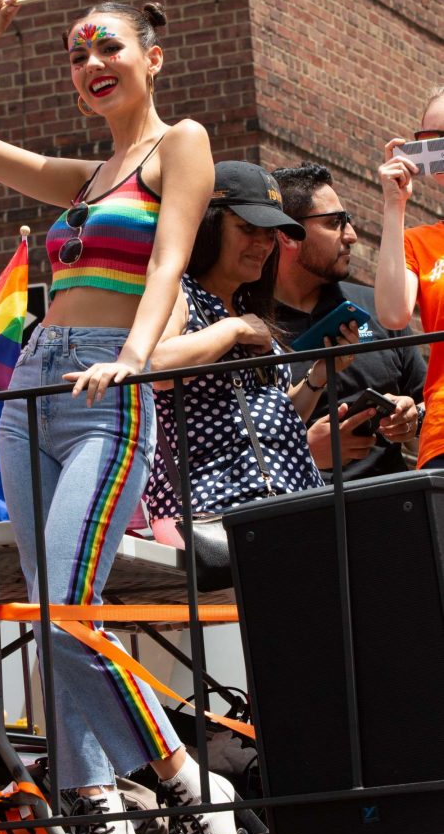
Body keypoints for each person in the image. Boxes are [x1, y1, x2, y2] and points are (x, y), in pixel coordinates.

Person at [0, 0, 239, 834]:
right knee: (53, 614)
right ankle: (106, 803)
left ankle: (184, 778)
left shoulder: (180, 144)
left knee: (67, 605)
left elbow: (168, 263)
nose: (90, 65)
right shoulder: (84, 179)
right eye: (78, 56)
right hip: (32, 390)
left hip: (107, 394)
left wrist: (134, 357)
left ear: (153, 57)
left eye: (106, 47)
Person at [146, 160, 344, 548]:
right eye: (248, 229)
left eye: (270, 235)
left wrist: (318, 376)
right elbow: (154, 365)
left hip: (290, 500)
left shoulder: (249, 304)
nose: (262, 245)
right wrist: (232, 328)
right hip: (215, 509)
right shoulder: (178, 292)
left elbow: (269, 413)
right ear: (209, 226)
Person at [272, 163, 424, 480]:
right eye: (334, 223)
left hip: (397, 509)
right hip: (297, 516)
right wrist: (304, 451)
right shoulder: (247, 323)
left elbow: (430, 403)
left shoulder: (377, 307)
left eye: (348, 221)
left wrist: (412, 416)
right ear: (287, 234)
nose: (351, 236)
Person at [375, 87, 444, 469]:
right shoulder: (420, 241)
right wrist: (393, 204)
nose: (436, 148)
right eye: (428, 139)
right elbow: (392, 314)